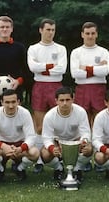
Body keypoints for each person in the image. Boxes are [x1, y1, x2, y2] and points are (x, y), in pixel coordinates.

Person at [27, 18, 67, 173]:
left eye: (53, 30)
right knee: (39, 126)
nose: (50, 32)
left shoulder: (61, 48)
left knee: (59, 125)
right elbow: (33, 67)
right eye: (48, 29)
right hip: (40, 87)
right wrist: (51, 66)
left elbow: (62, 69)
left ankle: (61, 157)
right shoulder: (33, 48)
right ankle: (39, 160)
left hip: (57, 86)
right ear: (41, 30)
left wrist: (42, 67)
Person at [0, 89, 39, 183]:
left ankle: (20, 168)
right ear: (2, 102)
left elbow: (31, 137)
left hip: (19, 146)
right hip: (2, 145)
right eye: (7, 102)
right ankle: (0, 169)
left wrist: (21, 148)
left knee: (35, 153)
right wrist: (3, 146)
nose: (11, 106)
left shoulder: (25, 113)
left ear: (18, 102)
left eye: (13, 102)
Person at [41, 87, 92, 182]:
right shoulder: (49, 116)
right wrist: (52, 148)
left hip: (76, 143)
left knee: (89, 149)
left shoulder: (80, 112)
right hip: (58, 144)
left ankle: (77, 169)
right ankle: (58, 168)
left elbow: (86, 132)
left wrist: (84, 142)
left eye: (68, 100)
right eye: (62, 100)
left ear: (73, 99)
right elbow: (46, 137)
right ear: (56, 101)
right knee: (45, 154)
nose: (65, 103)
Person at [0, 16, 27, 113]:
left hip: (15, 92)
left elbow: (25, 70)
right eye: (2, 27)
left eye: (7, 27)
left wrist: (18, 81)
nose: (5, 29)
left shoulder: (20, 47)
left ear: (12, 29)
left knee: (15, 123)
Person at [70, 22, 109, 128]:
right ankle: (85, 143)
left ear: (97, 34)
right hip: (82, 88)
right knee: (83, 119)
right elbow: (75, 73)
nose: (90, 36)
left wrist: (85, 68)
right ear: (82, 34)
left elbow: (105, 71)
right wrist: (97, 69)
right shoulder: (76, 52)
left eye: (92, 33)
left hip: (99, 88)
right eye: (87, 33)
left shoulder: (103, 51)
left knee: (99, 119)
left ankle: (98, 143)